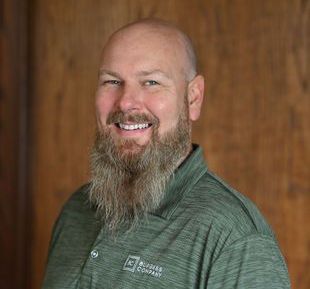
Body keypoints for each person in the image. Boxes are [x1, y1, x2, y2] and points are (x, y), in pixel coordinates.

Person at [42, 18, 290, 288]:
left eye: (151, 82)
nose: (125, 101)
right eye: (112, 81)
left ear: (193, 97)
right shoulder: (76, 210)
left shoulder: (235, 240)